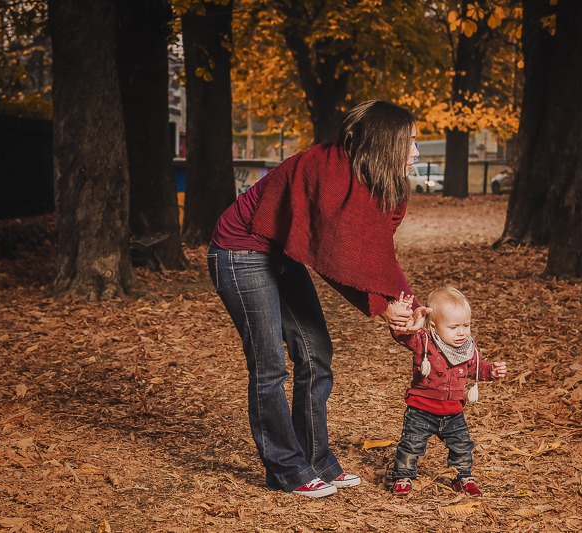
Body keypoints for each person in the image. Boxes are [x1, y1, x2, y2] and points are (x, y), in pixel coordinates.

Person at [207, 100, 430, 498]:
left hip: (280, 252)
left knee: (316, 354)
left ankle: (317, 459)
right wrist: (383, 308)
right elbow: (336, 257)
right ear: (383, 144)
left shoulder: (379, 183)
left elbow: (374, 254)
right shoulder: (328, 171)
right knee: (269, 365)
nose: (416, 152)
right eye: (409, 142)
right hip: (239, 250)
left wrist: (407, 303)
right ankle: (286, 470)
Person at [389, 287, 507, 496]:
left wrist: (492, 370)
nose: (461, 332)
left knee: (462, 446)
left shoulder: (467, 348)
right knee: (411, 446)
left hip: (453, 412)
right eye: (453, 327)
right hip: (421, 410)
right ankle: (403, 476)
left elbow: (476, 369)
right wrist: (403, 322)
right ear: (434, 326)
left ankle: (462, 477)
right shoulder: (424, 340)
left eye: (466, 325)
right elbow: (403, 336)